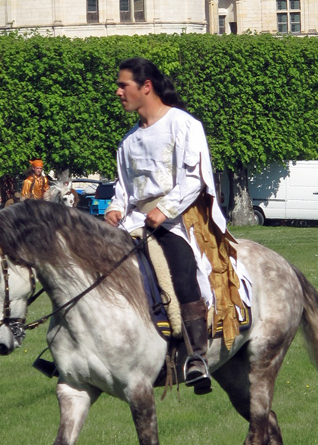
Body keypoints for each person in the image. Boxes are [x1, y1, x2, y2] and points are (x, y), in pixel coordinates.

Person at [105, 57, 245, 394]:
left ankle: (197, 354)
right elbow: (124, 188)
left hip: (178, 221)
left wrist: (164, 211)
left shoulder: (184, 125)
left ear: (146, 87)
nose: (118, 91)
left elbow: (195, 180)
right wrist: (114, 208)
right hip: (134, 222)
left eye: (124, 85)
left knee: (181, 269)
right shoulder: (128, 141)